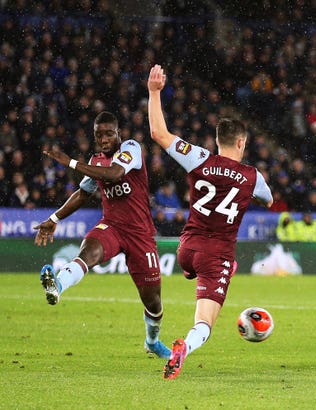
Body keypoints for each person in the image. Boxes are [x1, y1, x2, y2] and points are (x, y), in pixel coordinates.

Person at [147, 64, 273, 380]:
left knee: (202, 268)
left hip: (187, 248)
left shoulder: (198, 157)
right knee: (204, 324)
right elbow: (268, 200)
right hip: (216, 255)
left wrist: (154, 92)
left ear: (217, 141)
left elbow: (158, 134)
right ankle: (183, 350)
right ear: (242, 143)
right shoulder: (253, 177)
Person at [34, 111, 171, 360]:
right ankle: (58, 285)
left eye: (109, 133)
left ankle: (152, 342)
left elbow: (116, 174)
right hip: (112, 226)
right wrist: (54, 219)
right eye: (99, 135)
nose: (104, 139)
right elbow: (82, 193)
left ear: (118, 133)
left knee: (153, 302)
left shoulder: (131, 149)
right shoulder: (95, 161)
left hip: (140, 235)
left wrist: (71, 163)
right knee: (88, 253)